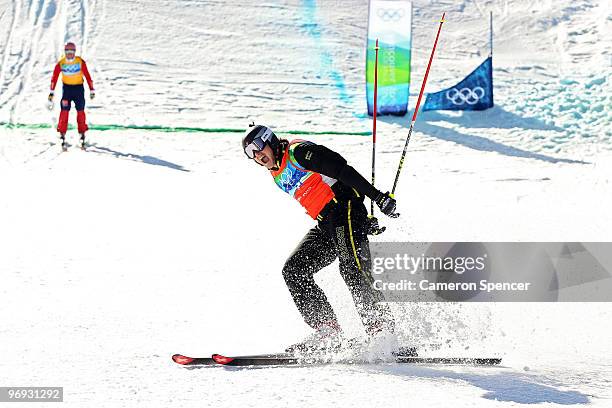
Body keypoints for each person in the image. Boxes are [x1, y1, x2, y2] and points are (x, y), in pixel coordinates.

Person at [242, 123, 399, 352]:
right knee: (294, 270)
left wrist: (376, 198)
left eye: (257, 147)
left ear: (270, 140)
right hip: (327, 222)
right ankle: (328, 332)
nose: (256, 155)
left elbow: (342, 170)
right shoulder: (276, 172)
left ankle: (382, 332)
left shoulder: (298, 153)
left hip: (343, 208)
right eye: (250, 153)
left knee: (352, 268)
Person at [48, 42, 95, 150]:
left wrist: (91, 89)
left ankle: (82, 133)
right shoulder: (61, 63)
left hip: (78, 89)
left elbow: (87, 75)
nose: (70, 55)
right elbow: (54, 77)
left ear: (75, 52)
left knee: (80, 111)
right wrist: (51, 92)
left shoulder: (80, 62)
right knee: (64, 111)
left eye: (72, 52)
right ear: (65, 52)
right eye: (67, 52)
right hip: (67, 90)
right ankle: (62, 133)